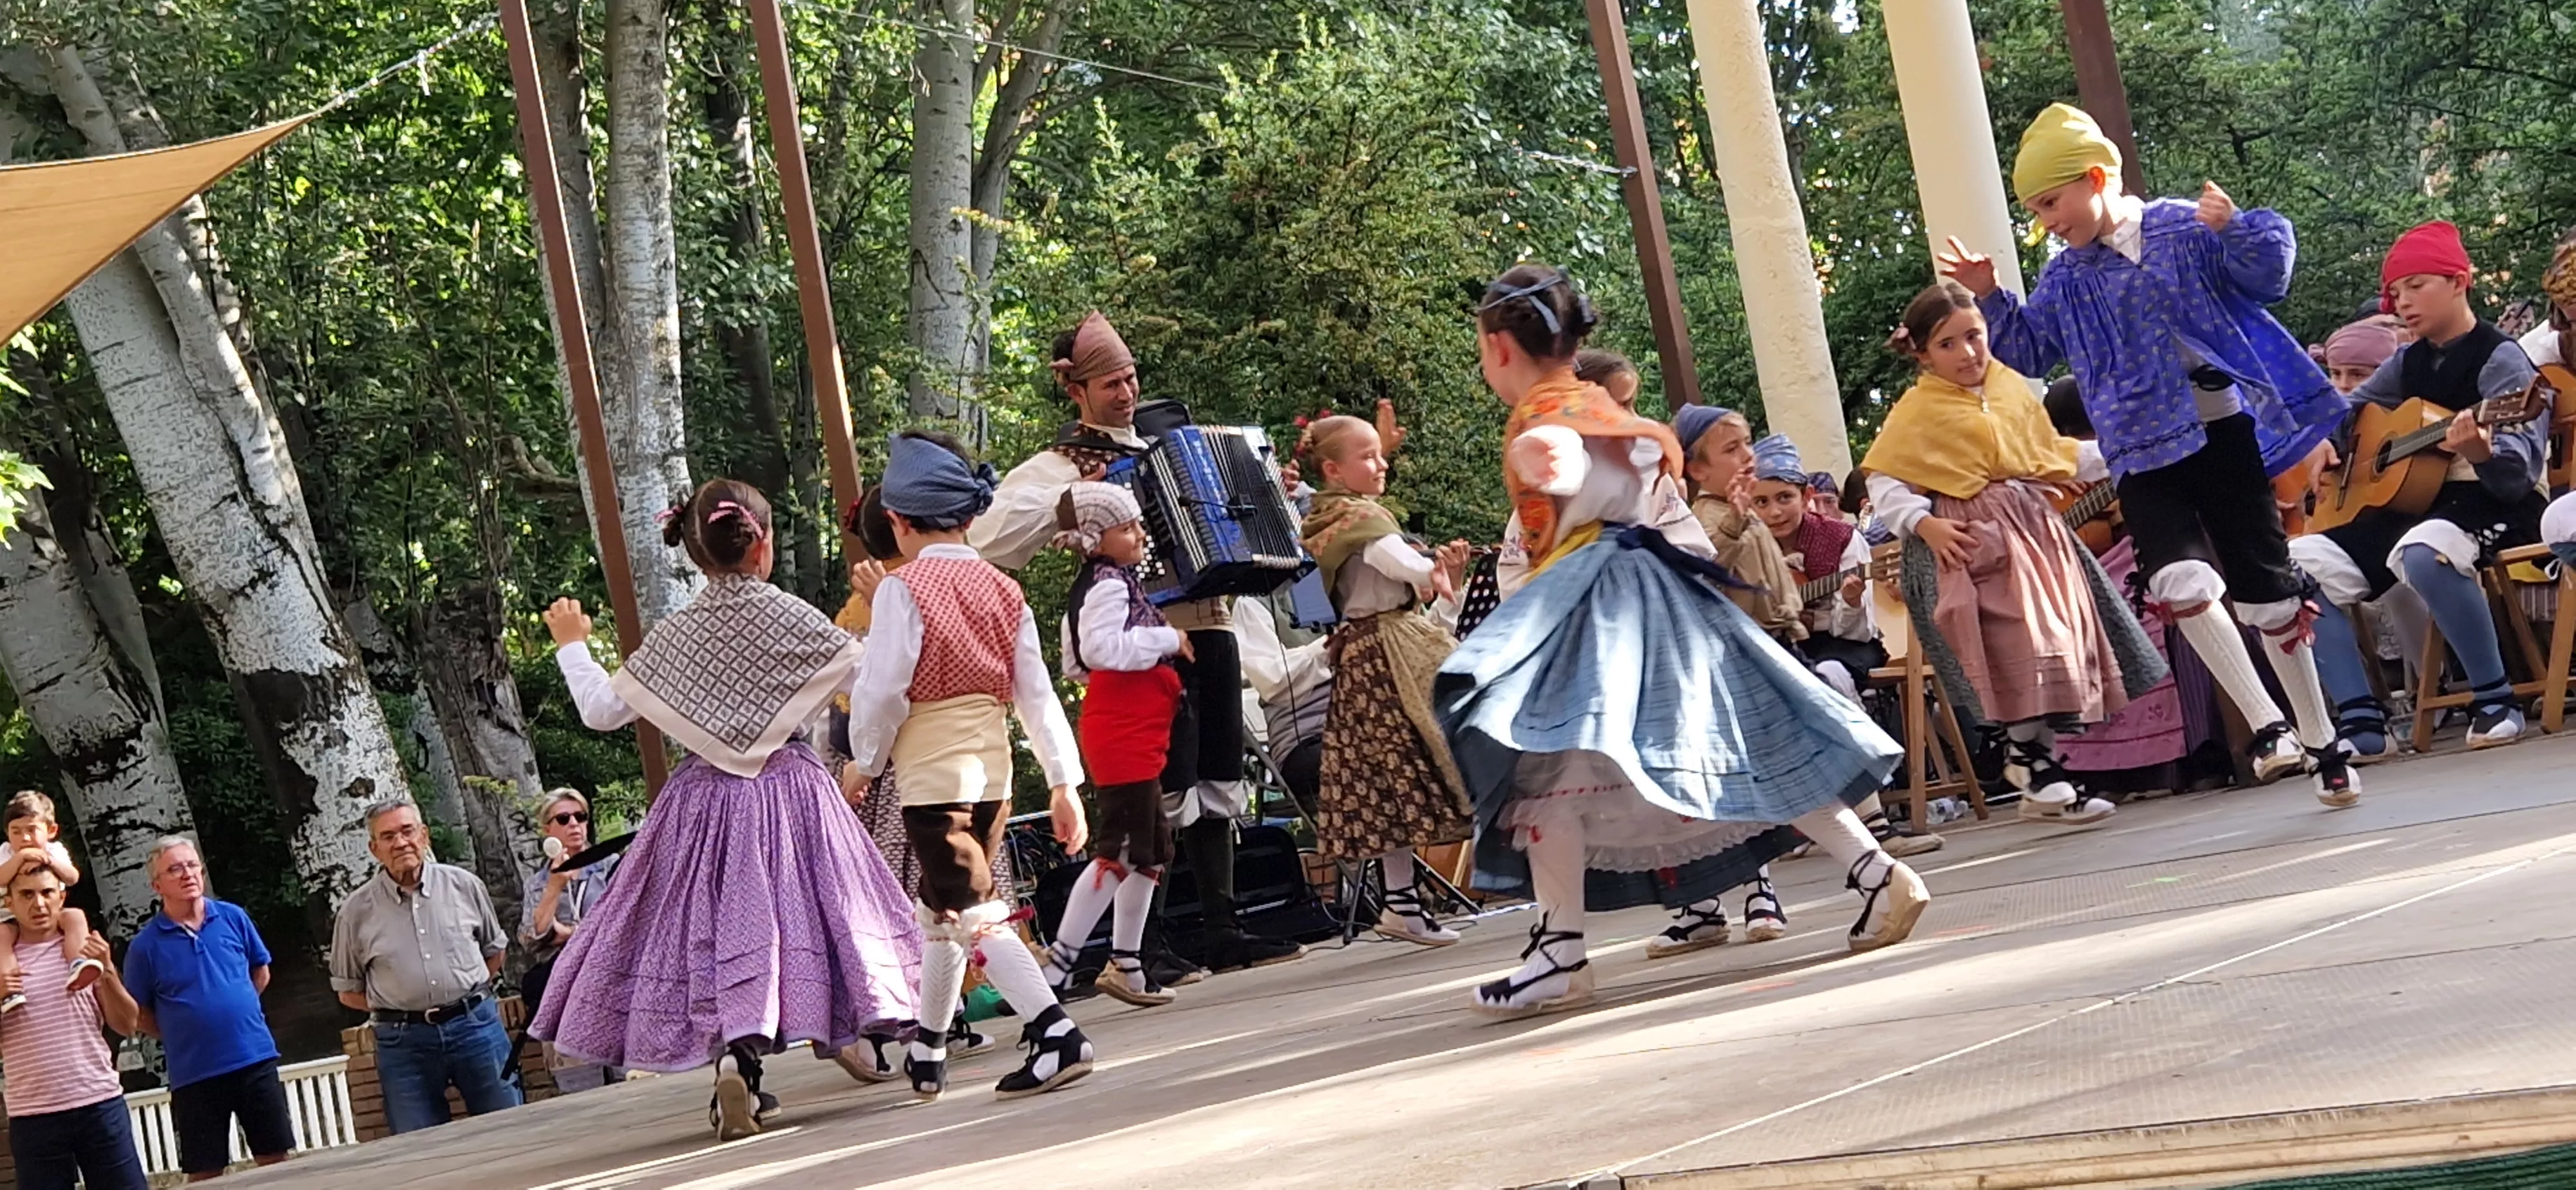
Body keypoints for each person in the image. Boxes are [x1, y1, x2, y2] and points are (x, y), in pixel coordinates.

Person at [1437, 263, 1924, 1017]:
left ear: (1499, 346)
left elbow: (1578, 498)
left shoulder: (1547, 418)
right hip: (1659, 599)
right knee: (1740, 747)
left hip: (1597, 608)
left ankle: (1561, 951)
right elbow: (1633, 474)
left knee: (1542, 772)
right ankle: (1871, 869)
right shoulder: (1595, 405)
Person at [1938, 102, 2355, 807]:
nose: (2046, 221)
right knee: (2179, 584)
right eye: (2035, 209)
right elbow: (2035, 349)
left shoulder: (2179, 225)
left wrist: (2237, 227)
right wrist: (1992, 299)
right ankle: (2266, 730)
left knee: (2269, 596)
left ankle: (2322, 744)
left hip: (2221, 432)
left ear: (2096, 178)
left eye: (2051, 201)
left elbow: (2266, 278)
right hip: (2140, 452)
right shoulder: (2066, 278)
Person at [533, 478, 921, 1140]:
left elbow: (602, 713)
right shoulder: (793, 618)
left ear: (694, 553)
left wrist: (573, 642)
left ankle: (736, 1061)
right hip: (792, 793)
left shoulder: (678, 634)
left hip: (701, 801)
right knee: (829, 914)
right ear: (762, 545)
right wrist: (881, 617)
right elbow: (876, 687)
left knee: (715, 933)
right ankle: (873, 1036)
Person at [971, 310, 1305, 978]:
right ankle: (1143, 948)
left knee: (1216, 776)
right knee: (1158, 788)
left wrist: (1272, 493)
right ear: (1078, 392)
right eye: (1109, 385)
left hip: (1210, 626)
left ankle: (1222, 928)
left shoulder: (1175, 444)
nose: (1124, 393)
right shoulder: (1061, 465)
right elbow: (991, 536)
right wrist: (1076, 503)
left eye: (1129, 379)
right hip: (1140, 636)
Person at [1861, 279, 2167, 827]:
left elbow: (2050, 454)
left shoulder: (2007, 391)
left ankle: (2039, 769)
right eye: (1948, 343)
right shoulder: (1917, 411)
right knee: (2016, 639)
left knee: (2052, 638)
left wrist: (2128, 447)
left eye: (1974, 336)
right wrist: (1924, 524)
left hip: (2030, 533)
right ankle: (2028, 757)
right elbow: (1887, 482)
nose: (1968, 352)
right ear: (1923, 353)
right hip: (1965, 541)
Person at [847, 431, 1095, 1102]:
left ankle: (1054, 1030)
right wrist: (1063, 781)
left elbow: (882, 688)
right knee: (942, 907)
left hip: (932, 774)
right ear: (968, 515)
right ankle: (928, 1047)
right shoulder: (1002, 588)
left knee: (972, 909)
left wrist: (862, 761)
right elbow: (1035, 694)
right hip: (994, 773)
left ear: (897, 521)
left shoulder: (903, 589)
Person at [2289, 222, 2547, 757]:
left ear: (2460, 282)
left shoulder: (2501, 360)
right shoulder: (2408, 361)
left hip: (2497, 501)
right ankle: (2362, 722)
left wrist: (2477, 449)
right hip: (2416, 508)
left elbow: (2517, 476)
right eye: (2396, 292)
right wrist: (2322, 443)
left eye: (2417, 286)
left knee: (2427, 552)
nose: (2402, 302)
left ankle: (2496, 702)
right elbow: (2346, 409)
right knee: (2293, 571)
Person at [825, 486, 1003, 1078]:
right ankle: (933, 1027)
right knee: (941, 896)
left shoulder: (865, 602)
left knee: (920, 901)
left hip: (884, 770)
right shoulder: (908, 593)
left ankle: (928, 1030)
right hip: (917, 768)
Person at [1298, 415, 1479, 948]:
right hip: (1388, 653)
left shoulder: (1326, 515)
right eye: (1369, 456)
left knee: (1391, 783)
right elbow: (1393, 560)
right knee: (1435, 753)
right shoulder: (1359, 517)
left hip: (1366, 652)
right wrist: (1435, 571)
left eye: (1381, 454)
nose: (1382, 464)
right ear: (1334, 469)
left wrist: (1430, 574)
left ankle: (1402, 902)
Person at [1039, 480, 1191, 1006]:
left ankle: (1127, 962)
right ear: (1093, 538)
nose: (1139, 535)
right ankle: (1060, 963)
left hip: (1134, 728)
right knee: (1124, 847)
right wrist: (1167, 640)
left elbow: (1073, 661)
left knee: (1150, 848)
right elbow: (1097, 651)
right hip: (1122, 731)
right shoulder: (1106, 584)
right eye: (1126, 528)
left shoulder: (1107, 583)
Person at [330, 801, 521, 1135]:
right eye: (388, 836)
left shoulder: (465, 886)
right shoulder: (355, 912)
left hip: (476, 1029)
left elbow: (495, 952)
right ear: (374, 849)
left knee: (509, 1129)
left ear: (424, 836)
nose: (401, 842)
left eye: (407, 831)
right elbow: (348, 991)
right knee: (416, 1144)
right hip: (404, 1045)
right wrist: (399, 1007)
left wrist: (464, 994)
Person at [120, 837, 292, 1181]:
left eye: (192, 865)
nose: (187, 874)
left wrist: (235, 1009)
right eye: (174, 869)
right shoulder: (145, 947)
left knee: (278, 1162)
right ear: (157, 886)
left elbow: (260, 970)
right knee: (205, 1172)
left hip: (253, 1059)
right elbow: (137, 1012)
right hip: (194, 1074)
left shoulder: (233, 917)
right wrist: (179, 1030)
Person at [1, 864, 146, 1190]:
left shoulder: (81, 949)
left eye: (47, 893)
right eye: (27, 894)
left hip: (98, 1102)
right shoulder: (2, 961)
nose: (39, 904)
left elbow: (127, 1024)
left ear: (61, 897)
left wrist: (107, 970)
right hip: (33, 1114)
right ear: (9, 903)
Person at [1748, 435, 1882, 700]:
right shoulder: (1749, 547)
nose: (1775, 512)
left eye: (1785, 498)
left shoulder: (1842, 538)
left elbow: (1861, 632)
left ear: (1806, 496)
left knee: (1827, 676)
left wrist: (1851, 601)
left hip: (1844, 647)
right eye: (1762, 502)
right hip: (1782, 649)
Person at [517, 789, 620, 1091]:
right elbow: (531, 936)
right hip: (567, 1002)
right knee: (580, 1091)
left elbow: (626, 925)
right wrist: (554, 887)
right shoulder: (538, 883)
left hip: (615, 992)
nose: (574, 824)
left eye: (581, 817)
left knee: (632, 1082)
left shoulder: (611, 867)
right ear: (548, 830)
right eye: (564, 818)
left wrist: (570, 934)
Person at [0, 793, 102, 1014]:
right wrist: (21, 859)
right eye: (16, 832)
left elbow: (72, 878)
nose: (24, 839)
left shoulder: (55, 850)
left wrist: (48, 861)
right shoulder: (6, 853)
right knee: (1, 937)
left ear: (51, 831)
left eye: (31, 830)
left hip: (54, 911)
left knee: (75, 916)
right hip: (10, 916)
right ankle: (11, 988)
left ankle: (78, 962)